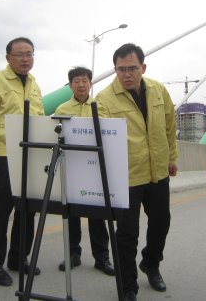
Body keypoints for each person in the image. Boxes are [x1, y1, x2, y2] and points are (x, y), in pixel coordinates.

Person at [96, 44, 178, 301]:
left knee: (161, 222)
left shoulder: (158, 90)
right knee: (127, 234)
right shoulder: (104, 99)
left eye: (132, 68)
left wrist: (172, 157)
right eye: (121, 69)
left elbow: (169, 126)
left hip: (158, 172)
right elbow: (103, 140)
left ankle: (151, 264)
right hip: (127, 177)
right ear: (115, 69)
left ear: (143, 67)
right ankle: (127, 286)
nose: (127, 74)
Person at [0, 37, 44, 287]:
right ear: (8, 58)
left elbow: (38, 118)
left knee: (27, 210)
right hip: (4, 154)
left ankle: (18, 257)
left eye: (30, 54)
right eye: (20, 54)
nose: (26, 59)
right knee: (0, 211)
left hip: (30, 154)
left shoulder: (34, 84)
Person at [54, 66, 114, 276]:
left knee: (97, 214)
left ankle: (102, 257)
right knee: (70, 213)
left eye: (84, 80)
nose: (81, 84)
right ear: (70, 85)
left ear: (91, 83)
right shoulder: (61, 109)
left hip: (94, 167)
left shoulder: (100, 107)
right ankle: (73, 254)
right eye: (76, 81)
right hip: (70, 166)